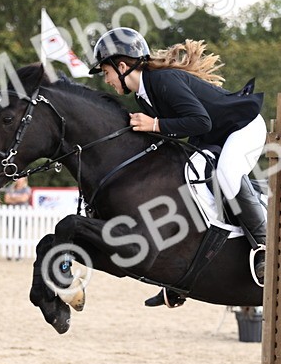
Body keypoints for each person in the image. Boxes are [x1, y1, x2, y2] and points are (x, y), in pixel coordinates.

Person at [89, 27, 268, 288]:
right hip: (214, 137)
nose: (107, 80)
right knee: (190, 185)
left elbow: (201, 121)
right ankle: (186, 276)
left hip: (243, 127)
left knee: (227, 175)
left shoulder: (164, 81)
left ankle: (264, 245)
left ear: (123, 66)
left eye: (106, 73)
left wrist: (156, 125)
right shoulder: (145, 95)